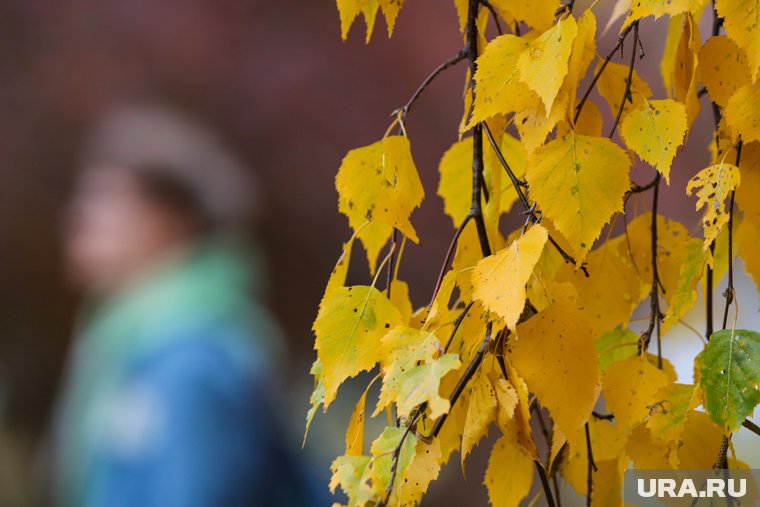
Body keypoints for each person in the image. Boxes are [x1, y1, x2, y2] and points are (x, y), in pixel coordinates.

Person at [52, 104, 325, 507]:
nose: (80, 217)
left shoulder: (190, 361)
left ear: (168, 220)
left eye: (104, 199)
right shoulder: (135, 344)